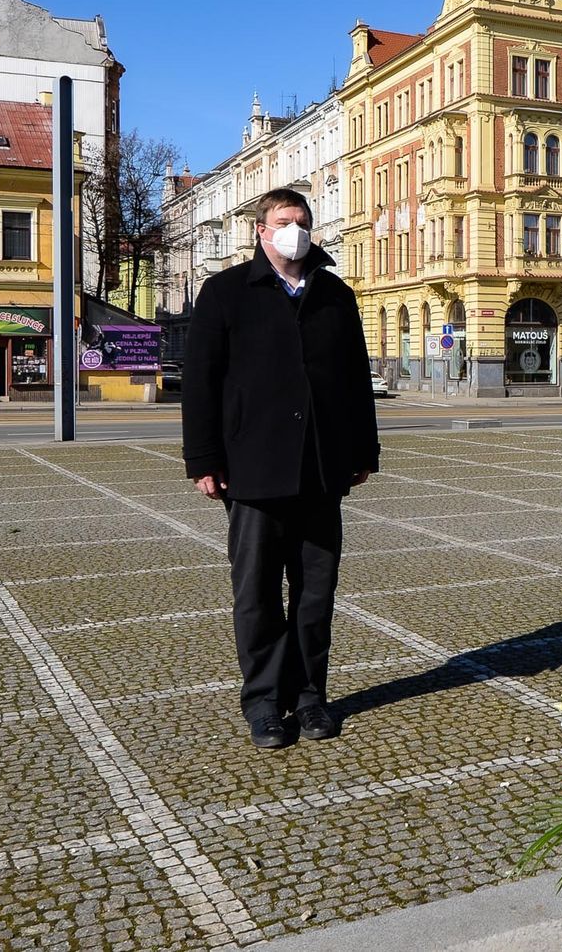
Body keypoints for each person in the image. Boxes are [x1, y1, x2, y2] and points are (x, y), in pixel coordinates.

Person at [183, 187, 379, 749]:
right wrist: (203, 459)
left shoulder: (336, 294)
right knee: (259, 595)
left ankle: (311, 698)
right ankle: (265, 704)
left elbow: (354, 382)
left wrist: (363, 452)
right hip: (252, 471)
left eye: (301, 221)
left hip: (321, 470)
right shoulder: (224, 293)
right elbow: (200, 385)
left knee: (315, 596)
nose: (293, 229)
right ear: (261, 231)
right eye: (282, 221)